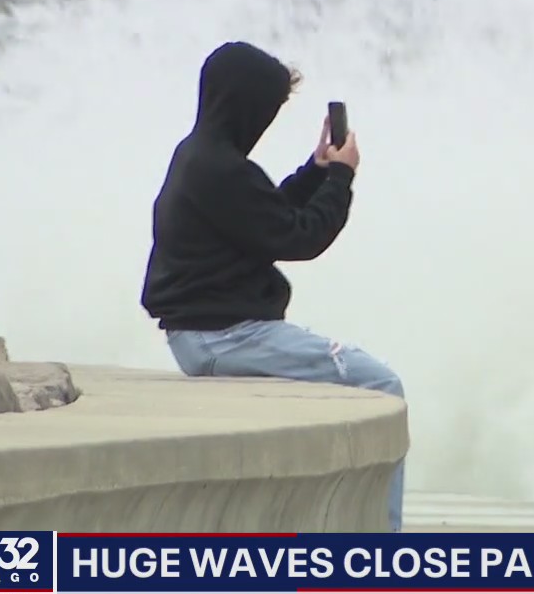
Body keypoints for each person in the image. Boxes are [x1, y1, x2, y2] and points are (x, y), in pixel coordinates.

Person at [140, 41, 406, 532]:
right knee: (381, 385)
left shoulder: (201, 157)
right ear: (245, 105)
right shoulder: (221, 168)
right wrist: (343, 176)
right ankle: (382, 547)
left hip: (202, 334)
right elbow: (300, 236)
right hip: (226, 336)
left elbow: (264, 218)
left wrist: (316, 171)